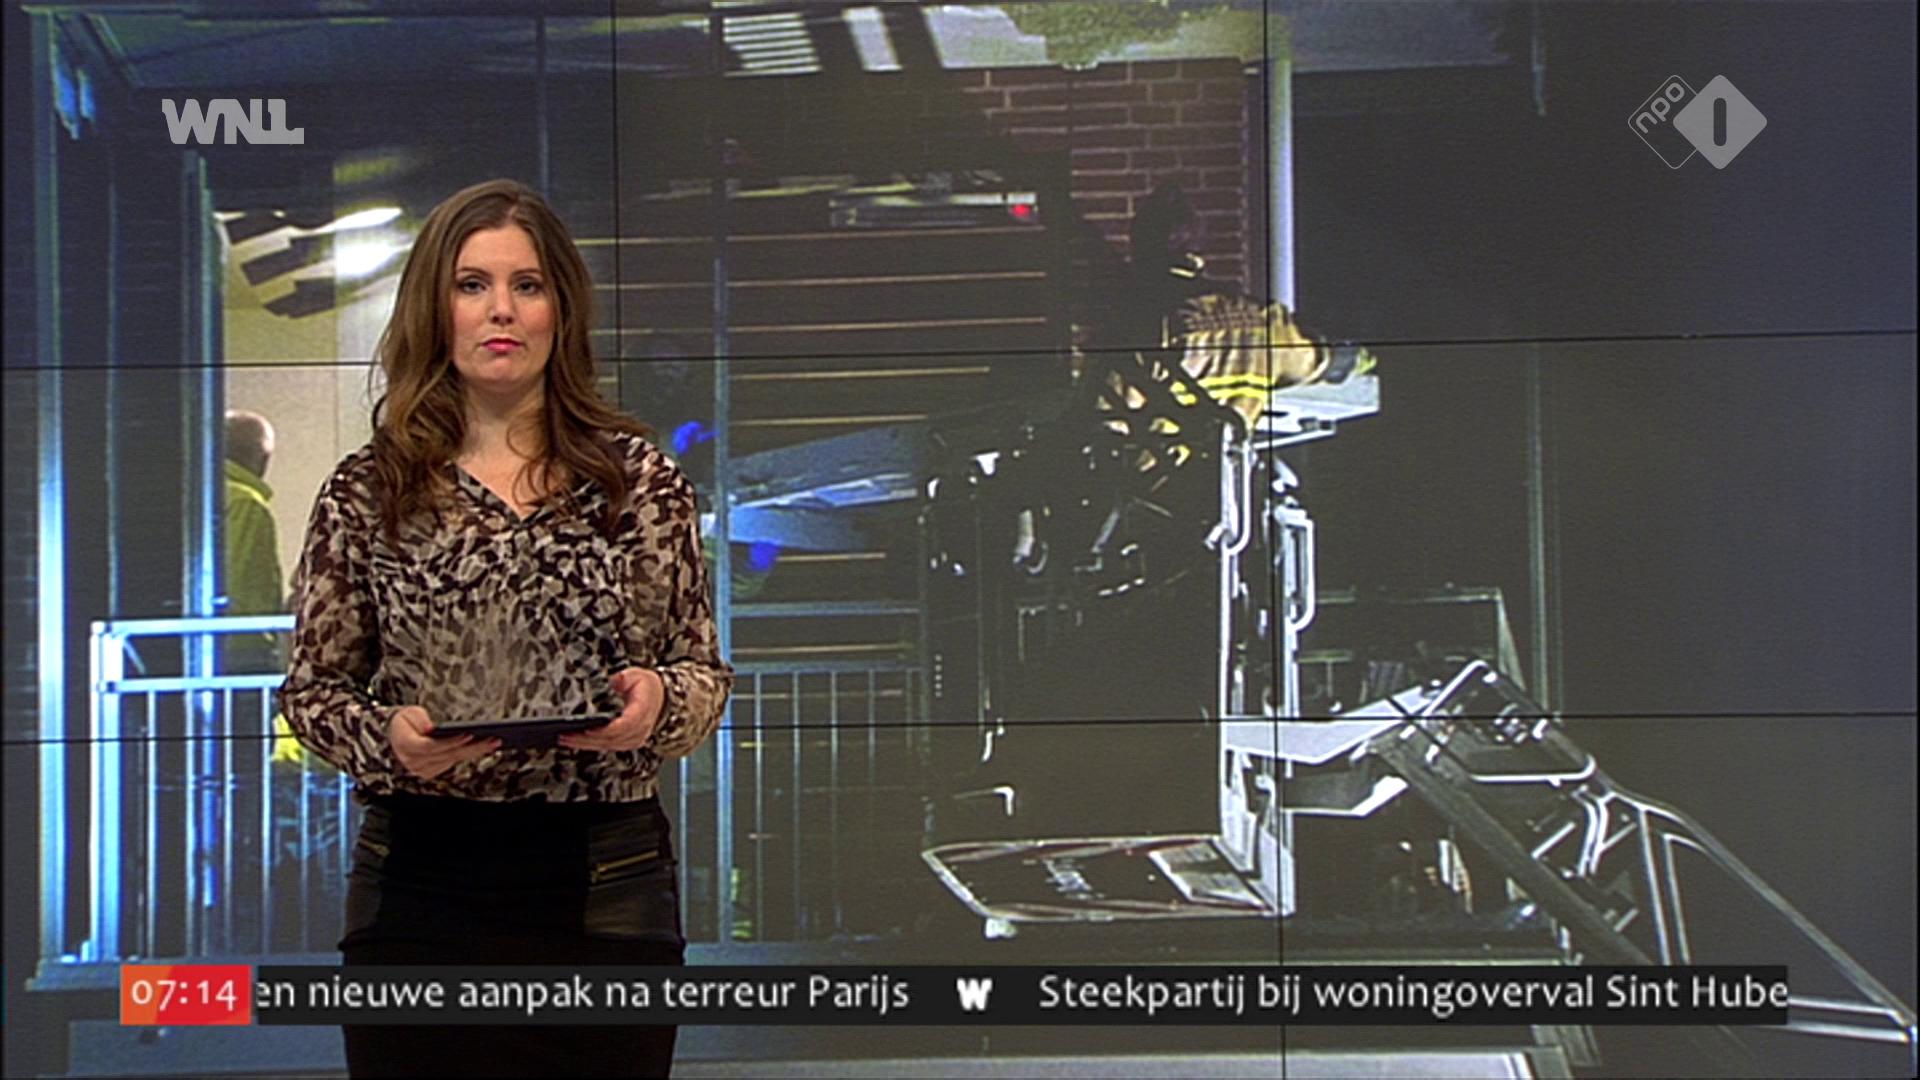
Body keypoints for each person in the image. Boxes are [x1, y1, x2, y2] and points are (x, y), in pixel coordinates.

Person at [279, 178, 733, 1079]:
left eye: (527, 285)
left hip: (605, 878)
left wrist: (658, 704)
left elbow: (702, 673)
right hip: (421, 881)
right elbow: (312, 693)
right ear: (433, 308)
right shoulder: (369, 490)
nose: (502, 311)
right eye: (472, 285)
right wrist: (386, 739)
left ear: (561, 311)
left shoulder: (639, 482)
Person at [221, 409, 285, 669]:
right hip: (242, 646)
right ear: (261, 457)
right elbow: (242, 580)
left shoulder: (201, 494)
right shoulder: (246, 503)